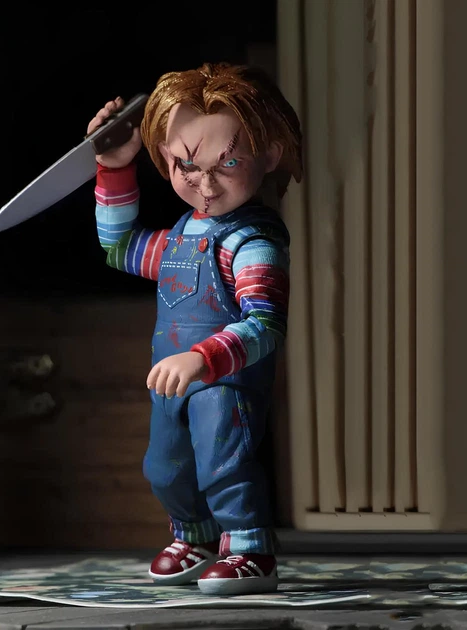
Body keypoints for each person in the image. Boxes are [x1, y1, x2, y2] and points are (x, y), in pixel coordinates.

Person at [87, 62, 303, 596]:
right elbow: (119, 247)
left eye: (228, 163)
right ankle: (194, 536)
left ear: (268, 155)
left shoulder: (251, 244)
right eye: (187, 164)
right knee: (165, 469)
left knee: (224, 466)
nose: (205, 184)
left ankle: (250, 548)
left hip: (225, 386)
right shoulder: (180, 237)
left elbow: (265, 324)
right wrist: (114, 168)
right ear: (164, 155)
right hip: (171, 383)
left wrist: (203, 358)